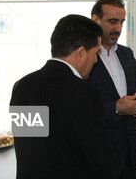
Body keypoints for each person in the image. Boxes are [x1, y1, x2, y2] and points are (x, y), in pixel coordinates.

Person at [10, 14, 121, 179]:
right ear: (81, 53)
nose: (96, 61)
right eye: (96, 53)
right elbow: (99, 159)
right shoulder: (83, 93)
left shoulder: (23, 86)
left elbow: (32, 146)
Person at [88, 0, 136, 179]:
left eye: (122, 22)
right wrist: (116, 108)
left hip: (131, 154)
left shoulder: (126, 54)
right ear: (95, 20)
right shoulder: (82, 56)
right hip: (100, 156)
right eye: (112, 21)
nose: (118, 28)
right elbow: (79, 108)